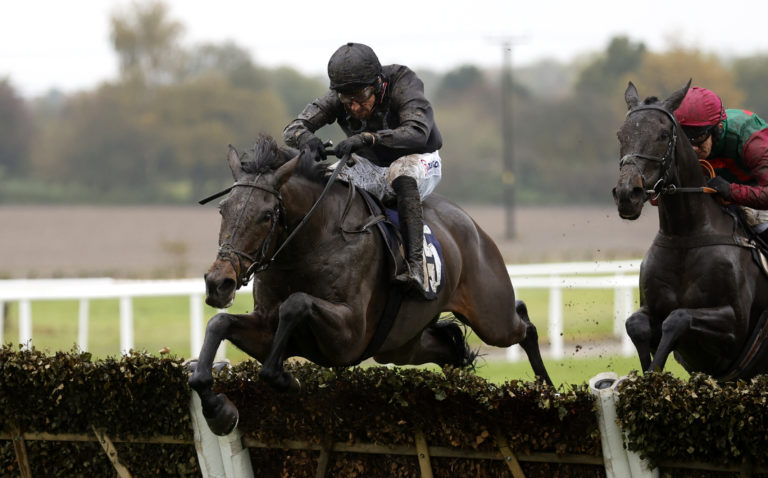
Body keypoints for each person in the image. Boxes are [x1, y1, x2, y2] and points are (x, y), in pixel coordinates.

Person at [283, 42, 443, 298]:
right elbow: (292, 129)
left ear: (378, 84)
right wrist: (307, 139)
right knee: (324, 182)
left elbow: (417, 132)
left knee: (401, 174)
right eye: (347, 101)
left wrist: (369, 138)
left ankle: (415, 267)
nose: (355, 107)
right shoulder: (339, 96)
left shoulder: (404, 82)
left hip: (418, 158)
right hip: (371, 164)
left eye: (360, 98)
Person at [673, 86, 768, 243]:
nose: (693, 148)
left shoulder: (752, 138)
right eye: (686, 139)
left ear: (718, 128)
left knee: (758, 222)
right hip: (728, 194)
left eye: (698, 138)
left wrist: (730, 191)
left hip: (759, 191)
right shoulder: (676, 143)